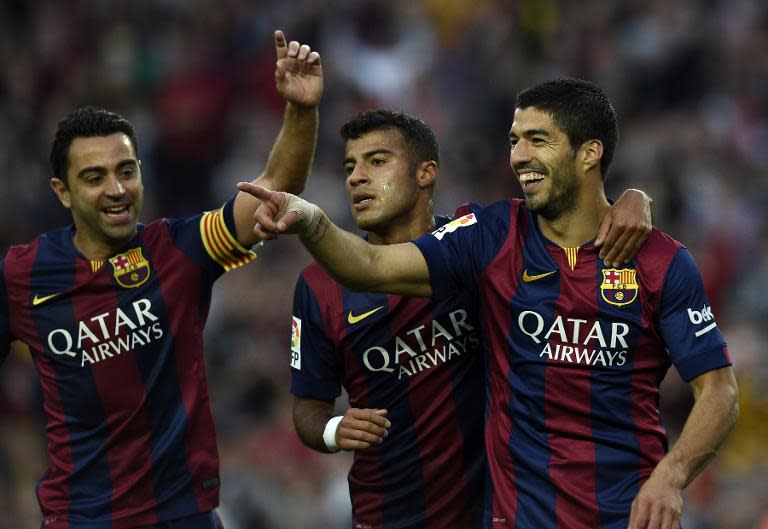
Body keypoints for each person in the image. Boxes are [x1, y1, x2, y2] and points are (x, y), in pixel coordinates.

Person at [239, 78, 739, 529]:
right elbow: (368, 267)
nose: (518, 156)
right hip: (506, 517)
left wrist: (670, 477)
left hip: (625, 515)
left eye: (536, 140)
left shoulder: (662, 263)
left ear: (589, 154)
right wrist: (310, 219)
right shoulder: (491, 237)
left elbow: (719, 390)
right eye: (513, 141)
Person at [0, 31, 322, 529]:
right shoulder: (23, 274)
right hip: (82, 519)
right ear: (62, 192)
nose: (116, 189)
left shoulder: (178, 250)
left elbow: (273, 191)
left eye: (126, 170)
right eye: (94, 177)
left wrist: (300, 111)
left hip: (183, 514)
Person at [288, 109, 653, 529]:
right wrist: (335, 429)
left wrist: (634, 197)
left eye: (377, 160)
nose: (356, 177)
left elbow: (572, 211)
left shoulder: (482, 247)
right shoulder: (318, 286)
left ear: (426, 173)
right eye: (350, 166)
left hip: (499, 512)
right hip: (391, 516)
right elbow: (307, 406)